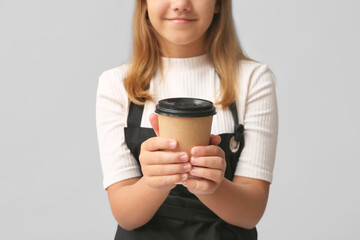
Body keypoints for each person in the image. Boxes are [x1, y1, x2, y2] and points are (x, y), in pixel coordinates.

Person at [95, 0, 278, 239]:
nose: (181, 4)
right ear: (144, 3)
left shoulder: (253, 80)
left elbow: (250, 212)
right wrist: (153, 183)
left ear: (218, 4)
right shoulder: (117, 85)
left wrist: (213, 186)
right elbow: (126, 215)